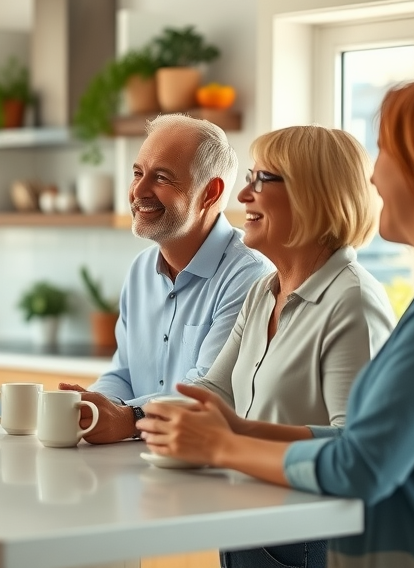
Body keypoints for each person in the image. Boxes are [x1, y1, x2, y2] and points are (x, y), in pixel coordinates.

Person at [139, 73, 414, 568]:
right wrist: (202, 427)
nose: (373, 177)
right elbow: (358, 443)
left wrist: (225, 445)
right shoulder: (265, 290)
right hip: (256, 523)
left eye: (387, 150)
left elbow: (363, 463)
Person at [193, 127, 395, 567]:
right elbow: (217, 391)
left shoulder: (352, 301)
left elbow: (356, 448)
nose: (243, 194)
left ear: (312, 194)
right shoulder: (265, 290)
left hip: (308, 538)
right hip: (248, 515)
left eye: (261, 178)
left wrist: (228, 436)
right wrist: (136, 419)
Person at [60, 114, 273, 442]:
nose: (138, 191)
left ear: (210, 193)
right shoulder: (140, 270)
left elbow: (212, 392)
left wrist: (130, 417)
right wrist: (93, 405)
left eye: (161, 177)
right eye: (137, 173)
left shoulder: (250, 276)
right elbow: (124, 373)